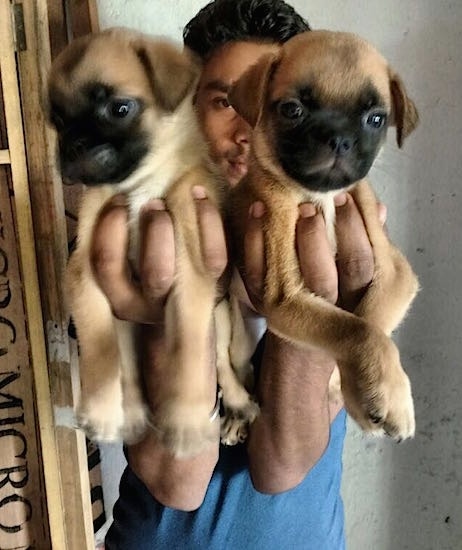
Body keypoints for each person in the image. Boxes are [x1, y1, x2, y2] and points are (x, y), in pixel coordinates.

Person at [102, 1, 384, 547]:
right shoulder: (144, 240)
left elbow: (284, 465)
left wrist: (304, 308)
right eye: (228, 100)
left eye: (286, 107)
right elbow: (174, 480)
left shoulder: (340, 243)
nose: (252, 125)